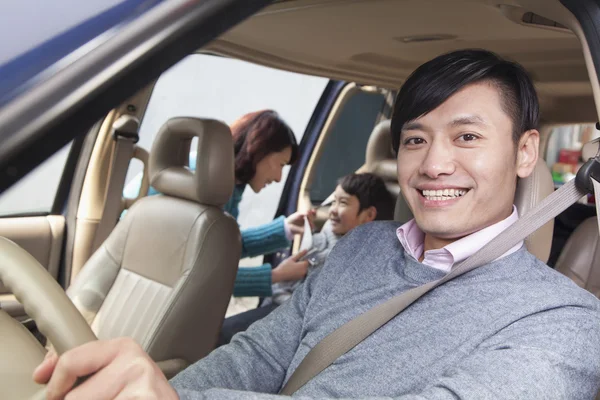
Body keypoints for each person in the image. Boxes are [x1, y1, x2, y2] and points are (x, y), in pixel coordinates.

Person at [35, 50, 600, 400]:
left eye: (467, 136)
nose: (433, 164)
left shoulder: (566, 323)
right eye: (415, 139)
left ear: (527, 153)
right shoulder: (364, 247)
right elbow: (258, 356)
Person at [123, 110, 312, 297]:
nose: (279, 178)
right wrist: (276, 275)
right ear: (260, 150)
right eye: (280, 164)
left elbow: (220, 244)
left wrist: (285, 229)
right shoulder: (208, 183)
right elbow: (203, 274)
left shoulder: (222, 178)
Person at [217, 172, 395, 345]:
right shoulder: (326, 235)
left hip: (290, 318)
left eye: (343, 203)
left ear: (369, 215)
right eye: (333, 201)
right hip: (276, 305)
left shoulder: (355, 258)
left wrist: (279, 278)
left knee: (220, 335)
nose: (332, 210)